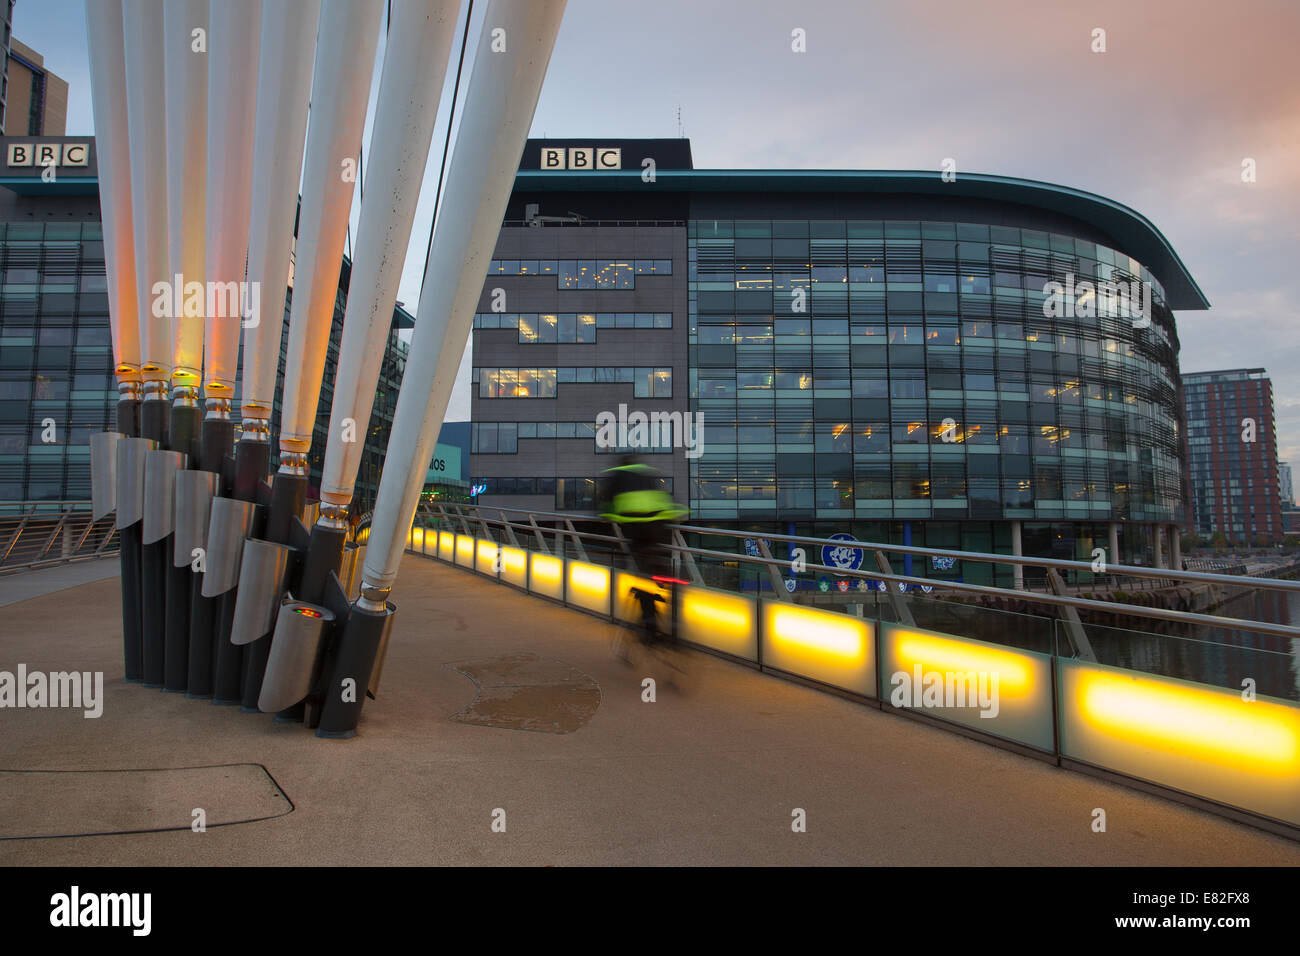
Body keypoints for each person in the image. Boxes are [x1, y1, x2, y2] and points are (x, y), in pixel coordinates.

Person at [599, 455, 687, 579]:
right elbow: (664, 494)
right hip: (657, 521)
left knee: (639, 552)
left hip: (635, 521)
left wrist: (605, 515)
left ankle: (646, 583)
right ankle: (668, 580)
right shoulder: (647, 473)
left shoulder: (618, 475)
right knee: (654, 550)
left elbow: (607, 500)